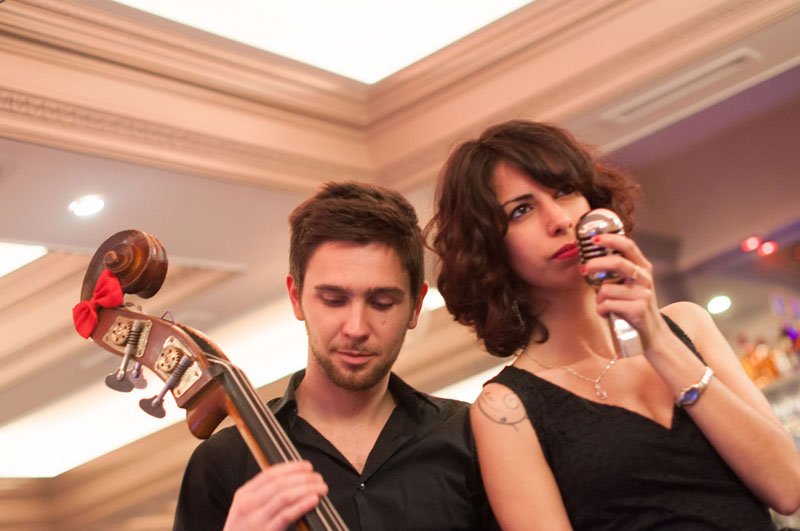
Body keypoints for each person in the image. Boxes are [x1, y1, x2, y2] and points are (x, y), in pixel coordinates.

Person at [426, 120, 800, 530]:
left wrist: (658, 341)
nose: (559, 220)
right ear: (488, 248)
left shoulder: (686, 326)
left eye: (565, 191)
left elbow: (788, 487)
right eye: (521, 210)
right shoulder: (504, 407)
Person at [174, 181, 497, 531]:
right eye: (333, 300)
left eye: (382, 303)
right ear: (296, 297)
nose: (356, 328)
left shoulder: (471, 438)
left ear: (417, 306)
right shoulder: (224, 463)